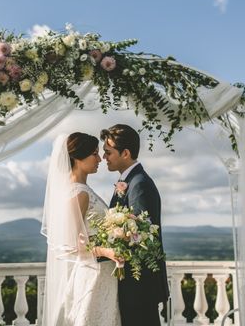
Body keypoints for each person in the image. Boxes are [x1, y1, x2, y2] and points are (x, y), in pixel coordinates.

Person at [41, 132, 122, 326]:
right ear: (78, 158)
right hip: (95, 273)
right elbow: (69, 245)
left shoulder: (80, 189)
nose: (99, 159)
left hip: (99, 271)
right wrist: (106, 251)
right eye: (94, 154)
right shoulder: (79, 194)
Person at [101, 124, 169, 326]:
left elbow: (140, 235)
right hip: (132, 283)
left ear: (126, 153)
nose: (104, 157)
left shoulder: (138, 183)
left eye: (108, 152)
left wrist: (102, 247)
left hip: (139, 285)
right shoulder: (129, 180)